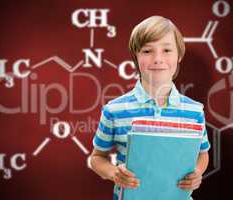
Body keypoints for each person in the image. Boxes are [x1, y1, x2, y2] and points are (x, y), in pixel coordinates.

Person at [89, 15, 210, 200]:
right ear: (135, 57)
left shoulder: (194, 111)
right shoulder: (114, 110)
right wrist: (114, 173)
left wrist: (197, 173)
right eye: (147, 51)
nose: (157, 59)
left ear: (179, 56)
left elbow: (203, 153)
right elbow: (96, 158)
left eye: (167, 50)